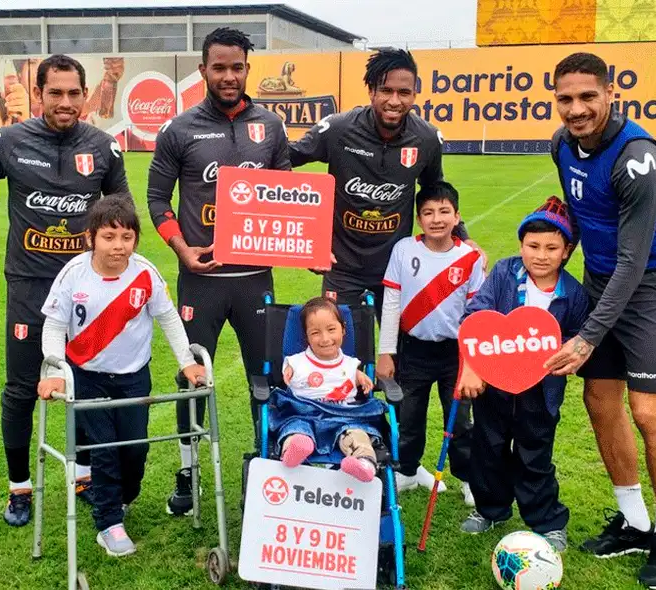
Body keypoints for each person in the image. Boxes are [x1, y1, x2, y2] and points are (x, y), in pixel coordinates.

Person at [0, 53, 131, 527]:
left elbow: (123, 212)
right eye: (55, 92)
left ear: (84, 93)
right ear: (38, 95)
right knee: (20, 390)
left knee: (89, 386)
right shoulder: (9, 141)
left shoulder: (102, 146)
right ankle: (19, 489)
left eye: (75, 93)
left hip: (87, 292)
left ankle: (86, 476)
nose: (66, 102)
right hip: (29, 289)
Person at [543, 53, 656, 589]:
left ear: (611, 95)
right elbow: (580, 221)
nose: (577, 109)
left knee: (649, 413)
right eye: (566, 98)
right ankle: (633, 521)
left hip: (649, 289)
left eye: (588, 96)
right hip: (602, 282)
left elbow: (634, 260)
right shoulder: (561, 145)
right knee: (600, 402)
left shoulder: (638, 159)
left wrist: (585, 337)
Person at [146, 27, 290, 516]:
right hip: (200, 281)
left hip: (255, 280)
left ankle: (268, 467)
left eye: (237, 67)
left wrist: (300, 246)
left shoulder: (269, 127)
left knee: (264, 378)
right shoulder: (179, 129)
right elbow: (156, 199)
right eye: (219, 67)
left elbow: (287, 199)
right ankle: (188, 474)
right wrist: (182, 248)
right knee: (192, 377)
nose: (229, 76)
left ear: (248, 69)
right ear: (203, 70)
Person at [37, 197, 206, 556]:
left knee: (134, 449)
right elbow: (53, 326)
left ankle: (122, 498)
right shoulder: (72, 274)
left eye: (126, 237)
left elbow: (169, 319)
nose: (118, 246)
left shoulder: (145, 273)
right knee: (106, 450)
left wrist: (186, 361)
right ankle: (109, 523)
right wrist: (56, 372)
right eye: (109, 237)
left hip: (133, 378)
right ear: (91, 238)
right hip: (87, 377)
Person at [289, 48, 484, 318]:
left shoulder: (426, 139)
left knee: (401, 355)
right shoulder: (338, 129)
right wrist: (305, 241)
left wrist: (463, 237)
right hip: (343, 271)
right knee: (345, 355)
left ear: (414, 94)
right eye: (386, 90)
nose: (394, 101)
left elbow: (433, 192)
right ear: (371, 91)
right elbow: (285, 160)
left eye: (404, 93)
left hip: (398, 268)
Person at [455, 197, 588, 554]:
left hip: (541, 392)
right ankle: (491, 510)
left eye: (551, 248)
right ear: (521, 245)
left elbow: (579, 339)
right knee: (488, 448)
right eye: (533, 246)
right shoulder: (503, 273)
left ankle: (547, 521)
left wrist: (568, 354)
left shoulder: (573, 293)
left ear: (566, 251)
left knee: (535, 455)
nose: (540, 255)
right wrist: (471, 366)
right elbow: (475, 316)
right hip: (494, 384)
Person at [377, 182, 483, 502]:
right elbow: (392, 302)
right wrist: (386, 352)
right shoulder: (404, 250)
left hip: (456, 353)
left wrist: (474, 364)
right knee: (409, 415)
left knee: (460, 420)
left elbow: (478, 314)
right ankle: (408, 470)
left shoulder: (471, 257)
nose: (436, 219)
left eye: (444, 211)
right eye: (428, 212)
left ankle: (467, 478)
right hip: (414, 349)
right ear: (419, 218)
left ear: (457, 216)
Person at [275, 297, 380, 483]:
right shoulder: (296, 361)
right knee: (295, 430)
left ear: (343, 330)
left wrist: (360, 377)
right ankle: (294, 451)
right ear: (306, 336)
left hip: (344, 416)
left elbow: (351, 373)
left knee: (357, 435)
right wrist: (289, 370)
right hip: (304, 414)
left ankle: (364, 464)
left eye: (331, 330)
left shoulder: (350, 364)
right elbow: (287, 370)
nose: (325, 339)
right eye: (315, 333)